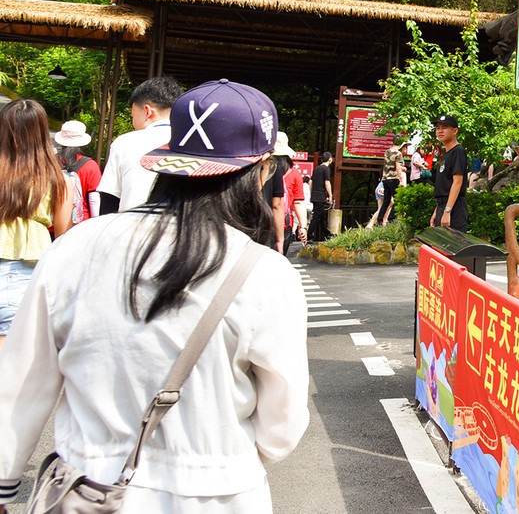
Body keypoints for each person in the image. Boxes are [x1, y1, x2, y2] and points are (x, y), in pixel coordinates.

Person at [0, 78, 308, 512]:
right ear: (260, 169)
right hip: (218, 495)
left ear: (169, 159)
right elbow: (283, 427)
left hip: (88, 490)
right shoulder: (265, 273)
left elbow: (22, 382)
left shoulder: (76, 246)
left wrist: (5, 483)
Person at [0, 99, 72, 351]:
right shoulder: (59, 180)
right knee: (9, 360)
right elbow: (63, 234)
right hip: (26, 271)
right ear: (43, 134)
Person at [97, 76, 183, 214]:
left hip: (129, 229)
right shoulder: (190, 143)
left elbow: (109, 199)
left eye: (133, 116)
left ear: (147, 111)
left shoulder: (125, 142)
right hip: (179, 230)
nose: (133, 122)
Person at [54, 119, 102, 222]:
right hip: (80, 225)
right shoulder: (90, 166)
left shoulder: (50, 162)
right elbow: (94, 199)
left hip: (53, 223)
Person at [430, 113, 469, 231]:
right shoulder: (446, 155)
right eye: (437, 128)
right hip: (444, 206)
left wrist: (447, 211)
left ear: (455, 131)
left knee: (453, 246)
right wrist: (437, 211)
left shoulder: (458, 151)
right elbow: (444, 187)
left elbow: (457, 182)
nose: (440, 131)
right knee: (441, 247)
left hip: (454, 207)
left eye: (444, 127)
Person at [375, 140, 403, 226]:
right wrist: (401, 179)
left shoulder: (387, 152)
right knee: (397, 199)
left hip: (385, 179)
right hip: (394, 178)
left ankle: (380, 221)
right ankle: (391, 219)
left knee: (386, 201)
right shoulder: (398, 153)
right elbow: (398, 167)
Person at [307, 151, 333, 243]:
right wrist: (330, 196)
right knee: (317, 217)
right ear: (330, 159)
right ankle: (309, 236)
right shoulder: (326, 169)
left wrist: (311, 193)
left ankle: (327, 234)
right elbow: (327, 183)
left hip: (315, 196)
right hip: (320, 196)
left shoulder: (317, 168)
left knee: (322, 217)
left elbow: (311, 182)